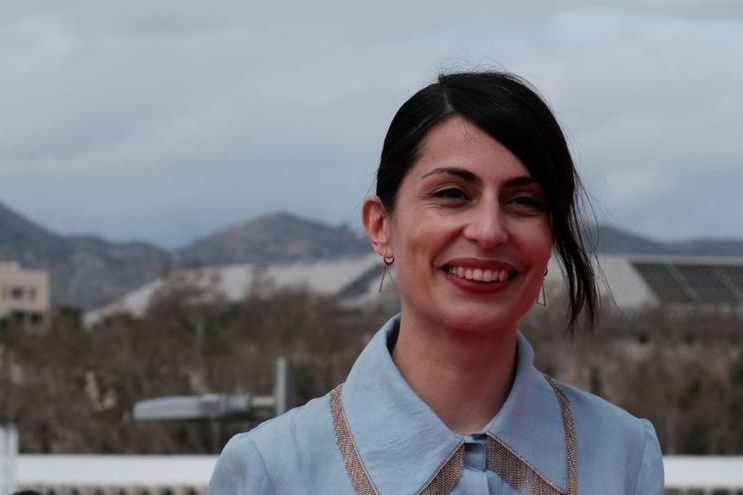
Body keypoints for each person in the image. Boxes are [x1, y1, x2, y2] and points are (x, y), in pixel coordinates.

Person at [207, 71, 664, 494]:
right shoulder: (274, 469)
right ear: (380, 224)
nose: (488, 231)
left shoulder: (624, 453)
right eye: (452, 194)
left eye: (524, 201)